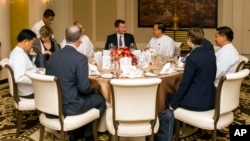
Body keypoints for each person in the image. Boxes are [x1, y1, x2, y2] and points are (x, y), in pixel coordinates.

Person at [46, 25, 106, 141]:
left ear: (65, 37)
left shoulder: (53, 56)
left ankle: (78, 131)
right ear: (80, 40)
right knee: (100, 99)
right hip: (70, 106)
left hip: (52, 105)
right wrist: (93, 87)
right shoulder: (80, 58)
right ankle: (87, 135)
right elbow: (84, 88)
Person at [168, 27, 217, 111]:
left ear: (189, 40)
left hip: (196, 102)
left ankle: (170, 123)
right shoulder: (211, 54)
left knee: (168, 97)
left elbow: (185, 83)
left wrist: (174, 103)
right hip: (211, 100)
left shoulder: (192, 58)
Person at [9, 29, 37, 98]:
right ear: (25, 41)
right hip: (28, 92)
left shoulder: (18, 53)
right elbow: (19, 78)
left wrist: (37, 70)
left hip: (28, 89)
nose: (32, 46)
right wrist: (37, 80)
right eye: (32, 43)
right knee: (56, 91)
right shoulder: (18, 56)